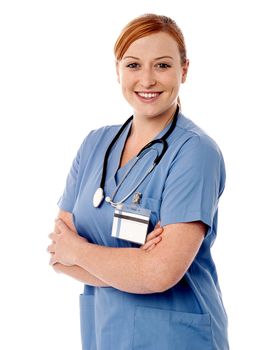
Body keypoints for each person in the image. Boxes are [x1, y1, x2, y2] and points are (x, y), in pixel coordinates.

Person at [47, 14, 229, 350]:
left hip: (177, 339)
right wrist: (135, 267)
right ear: (118, 70)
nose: (147, 79)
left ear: (184, 70)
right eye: (133, 65)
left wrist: (81, 251)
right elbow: (59, 255)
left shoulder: (194, 153)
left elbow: (161, 273)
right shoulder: (94, 145)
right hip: (106, 335)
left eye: (162, 65)